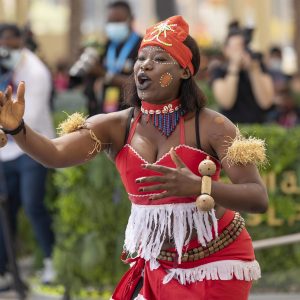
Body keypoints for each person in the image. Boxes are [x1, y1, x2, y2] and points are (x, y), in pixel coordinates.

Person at [0, 16, 268, 299]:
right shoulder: (115, 126)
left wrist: (200, 187)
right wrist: (18, 128)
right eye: (141, 58)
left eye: (160, 59)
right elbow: (54, 154)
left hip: (216, 265)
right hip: (156, 265)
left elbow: (257, 197)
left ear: (184, 71)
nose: (146, 65)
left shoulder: (213, 126)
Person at [0, 23, 55, 289]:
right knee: (4, 210)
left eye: (11, 45)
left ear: (21, 42)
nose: (5, 50)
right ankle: (6, 270)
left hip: (32, 147)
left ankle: (50, 263)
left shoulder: (35, 71)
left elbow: (26, 118)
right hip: (4, 152)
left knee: (33, 206)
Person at [70, 1, 142, 116]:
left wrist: (105, 75)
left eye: (118, 21)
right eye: (110, 21)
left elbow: (139, 83)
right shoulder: (106, 45)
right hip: (105, 111)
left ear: (131, 19)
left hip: (131, 114)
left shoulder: (142, 46)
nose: (114, 26)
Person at [211, 21, 274, 124]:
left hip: (259, 126)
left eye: (242, 47)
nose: (240, 52)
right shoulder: (220, 71)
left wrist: (254, 70)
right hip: (231, 128)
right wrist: (234, 68)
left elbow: (266, 102)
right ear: (226, 50)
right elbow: (226, 102)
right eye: (235, 48)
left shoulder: (258, 67)